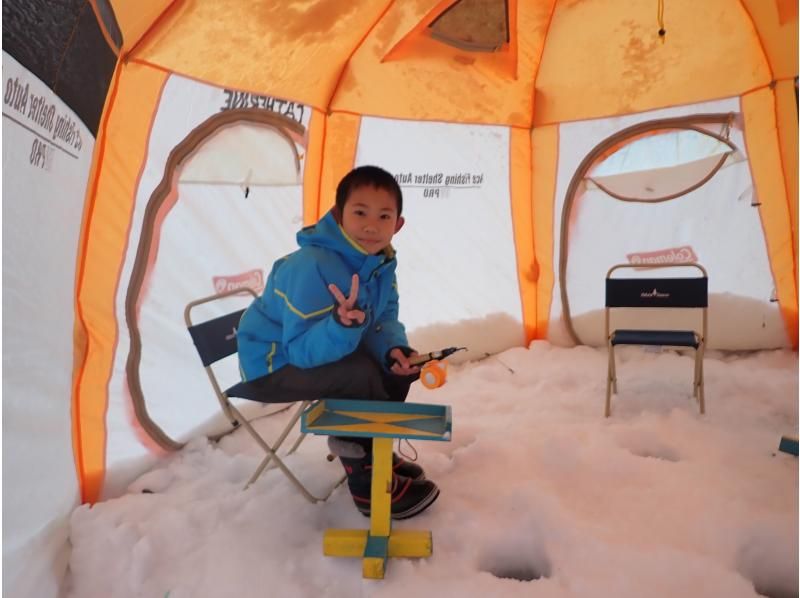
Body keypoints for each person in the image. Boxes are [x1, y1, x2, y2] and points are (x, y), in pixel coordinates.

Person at [236, 165, 439, 520]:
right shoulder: (312, 266)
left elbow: (384, 321)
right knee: (358, 373)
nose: (371, 226)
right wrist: (341, 326)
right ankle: (365, 480)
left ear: (398, 224)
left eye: (383, 215)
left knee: (395, 367)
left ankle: (376, 447)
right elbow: (300, 348)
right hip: (271, 363)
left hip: (313, 352)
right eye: (360, 212)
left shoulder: (379, 263)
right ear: (338, 214)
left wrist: (395, 349)